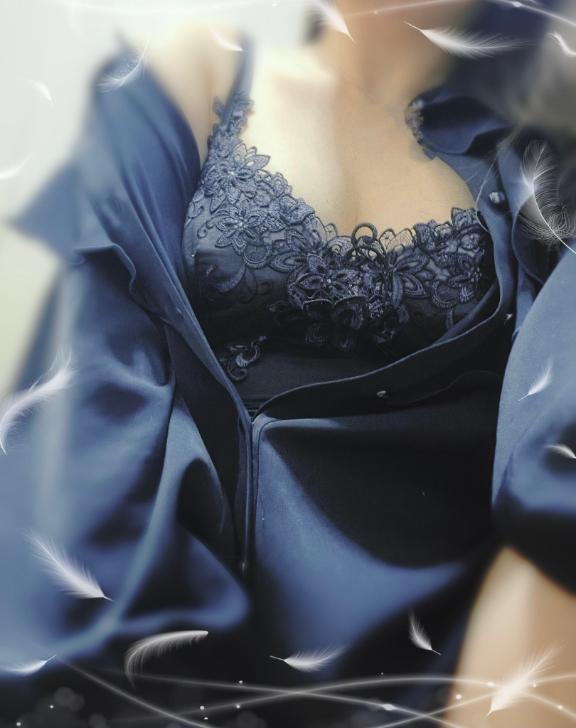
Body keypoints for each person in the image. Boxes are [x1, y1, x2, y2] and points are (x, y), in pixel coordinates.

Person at [1, 1, 576, 726]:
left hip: (417, 658)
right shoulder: (199, 64)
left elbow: (552, 459)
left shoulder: (536, 162)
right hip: (159, 619)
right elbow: (96, 381)